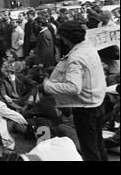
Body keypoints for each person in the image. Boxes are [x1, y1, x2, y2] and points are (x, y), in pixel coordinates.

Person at [43, 21, 108, 161]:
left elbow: (74, 87)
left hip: (85, 107)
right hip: (97, 101)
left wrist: (48, 86)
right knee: (98, 142)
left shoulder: (76, 57)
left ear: (66, 38)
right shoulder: (89, 47)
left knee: (89, 147)